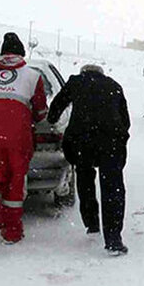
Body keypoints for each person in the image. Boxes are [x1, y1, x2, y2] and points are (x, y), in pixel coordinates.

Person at [0, 33, 48, 252]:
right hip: (18, 138)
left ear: (1, 53)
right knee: (14, 182)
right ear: (22, 54)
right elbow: (40, 111)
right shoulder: (33, 76)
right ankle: (11, 232)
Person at [48, 63, 131, 255]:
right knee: (113, 187)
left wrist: (52, 119)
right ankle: (113, 240)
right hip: (110, 141)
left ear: (83, 72)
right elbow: (125, 120)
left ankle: (92, 223)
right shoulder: (114, 86)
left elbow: (58, 105)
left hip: (82, 140)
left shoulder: (76, 82)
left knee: (85, 178)